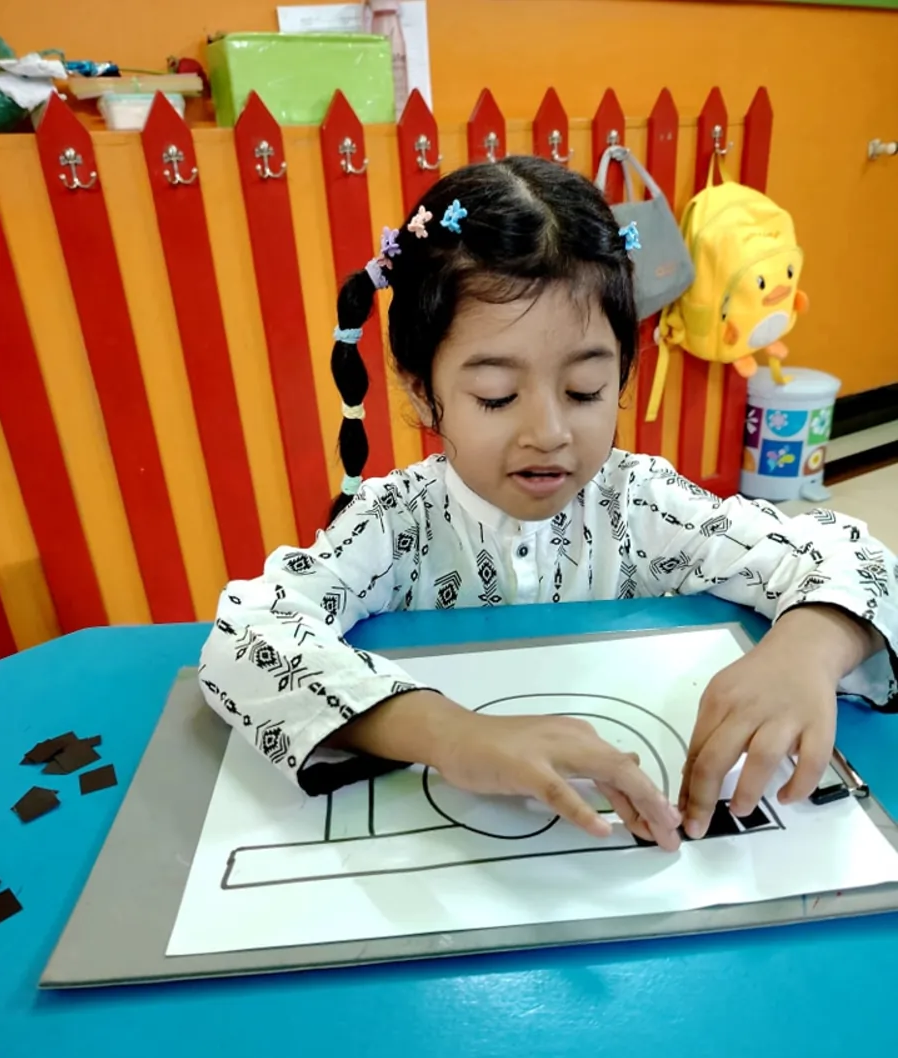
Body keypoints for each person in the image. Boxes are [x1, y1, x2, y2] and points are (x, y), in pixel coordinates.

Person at [200, 156, 897, 853]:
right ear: (422, 392)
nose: (550, 432)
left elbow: (856, 558)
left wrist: (810, 648)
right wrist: (451, 734)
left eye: (585, 390)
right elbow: (245, 636)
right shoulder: (396, 523)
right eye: (497, 396)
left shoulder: (641, 505)